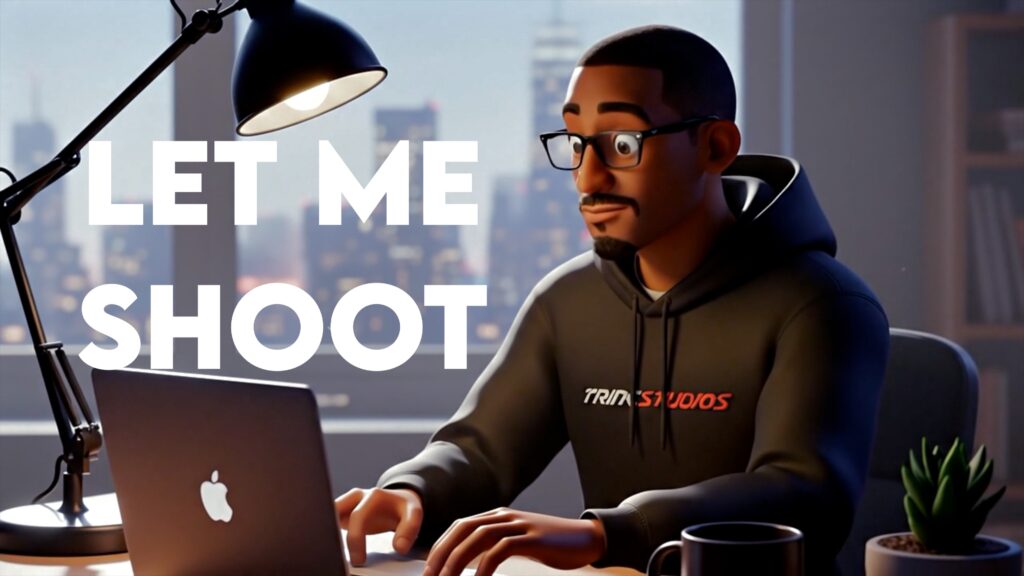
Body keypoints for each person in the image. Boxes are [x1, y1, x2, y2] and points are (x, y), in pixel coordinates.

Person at [335, 25, 890, 576]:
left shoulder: (822, 305)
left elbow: (802, 494)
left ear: (715, 146)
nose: (587, 175)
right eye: (577, 143)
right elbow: (482, 449)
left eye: (623, 144)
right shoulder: (568, 299)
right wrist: (414, 491)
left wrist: (609, 533)